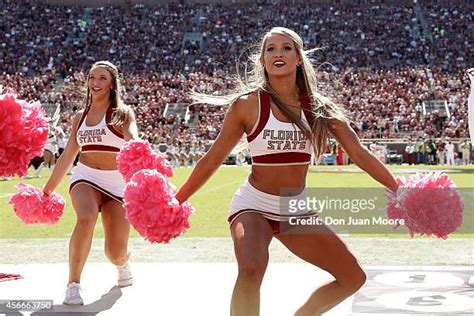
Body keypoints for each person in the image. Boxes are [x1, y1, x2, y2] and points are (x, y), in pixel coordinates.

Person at [175, 27, 398, 316]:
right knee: (251, 269)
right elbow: (213, 158)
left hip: (295, 210)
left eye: (286, 48)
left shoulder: (320, 108)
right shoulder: (247, 105)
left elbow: (360, 154)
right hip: (253, 206)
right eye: (270, 49)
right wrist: (176, 201)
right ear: (263, 60)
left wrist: (400, 189)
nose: (278, 53)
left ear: (298, 59)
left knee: (353, 277)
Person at [43, 61, 139, 305]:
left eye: (102, 78)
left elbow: (133, 140)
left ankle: (123, 262)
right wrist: (47, 190)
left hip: (117, 184)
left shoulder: (123, 113)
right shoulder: (80, 116)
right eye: (92, 77)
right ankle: (73, 284)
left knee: (114, 252)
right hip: (86, 176)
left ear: (112, 84)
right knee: (85, 217)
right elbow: (68, 156)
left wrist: (136, 146)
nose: (95, 83)